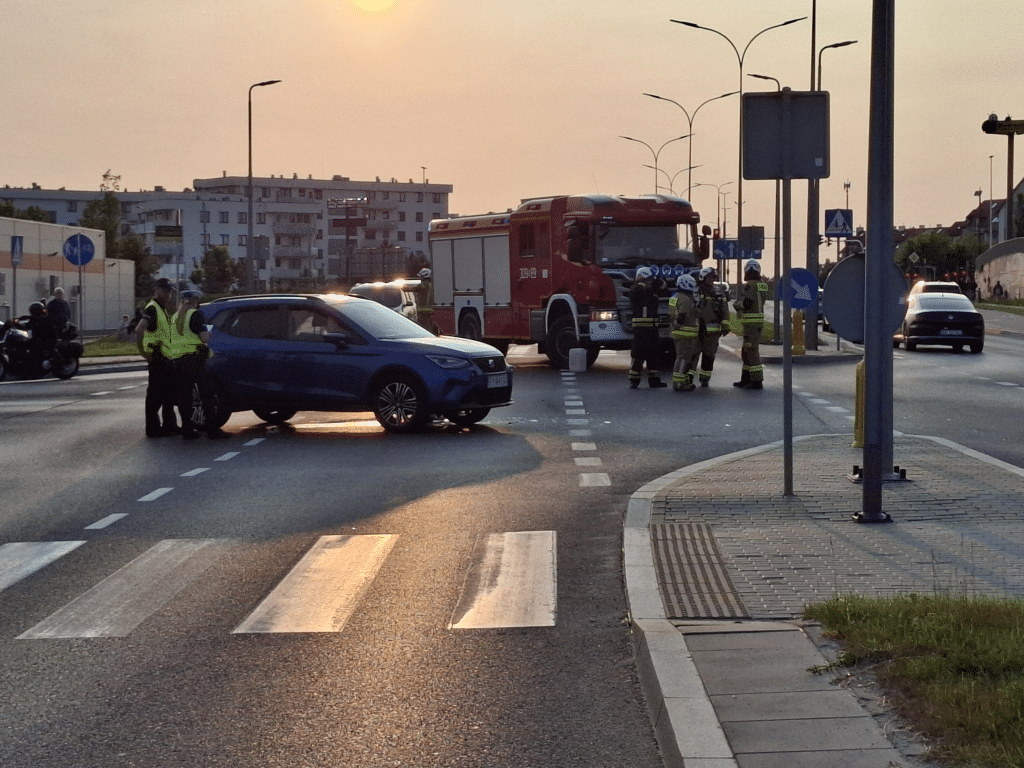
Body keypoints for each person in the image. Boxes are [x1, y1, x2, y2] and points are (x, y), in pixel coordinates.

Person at [167, 291, 230, 440]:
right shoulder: (195, 315)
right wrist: (208, 335)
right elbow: (204, 338)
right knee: (206, 394)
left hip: (178, 361)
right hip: (194, 360)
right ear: (194, 302)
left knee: (185, 397)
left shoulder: (175, 317)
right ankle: (212, 430)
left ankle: (187, 429)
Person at [135, 278, 180, 437]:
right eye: (164, 291)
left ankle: (170, 425)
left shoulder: (161, 309)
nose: (167, 294)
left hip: (165, 358)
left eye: (169, 292)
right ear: (156, 290)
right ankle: (153, 429)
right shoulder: (153, 309)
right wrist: (143, 352)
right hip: (157, 357)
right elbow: (139, 330)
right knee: (155, 395)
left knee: (168, 394)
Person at [628, 267, 667, 388]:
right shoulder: (636, 290)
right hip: (641, 330)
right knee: (638, 355)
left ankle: (654, 380)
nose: (651, 282)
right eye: (649, 279)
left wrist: (660, 282)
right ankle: (634, 380)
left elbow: (664, 289)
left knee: (654, 355)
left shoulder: (652, 291)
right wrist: (647, 285)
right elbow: (640, 293)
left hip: (652, 329)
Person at [733, 259, 769, 390]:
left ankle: (756, 381)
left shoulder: (750, 285)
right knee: (746, 351)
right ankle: (746, 378)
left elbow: (748, 302)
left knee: (751, 352)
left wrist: (737, 305)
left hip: (751, 324)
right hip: (757, 323)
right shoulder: (763, 284)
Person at [694, 266, 730, 388]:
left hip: (713, 331)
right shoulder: (696, 291)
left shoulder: (719, 292)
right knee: (693, 355)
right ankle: (688, 378)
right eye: (709, 277)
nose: (711, 279)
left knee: (709, 356)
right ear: (703, 277)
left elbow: (725, 310)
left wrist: (725, 325)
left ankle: (705, 379)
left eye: (713, 277)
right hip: (698, 330)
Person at [668, 273, 699, 392]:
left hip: (676, 331)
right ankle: (679, 382)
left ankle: (681, 381)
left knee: (680, 357)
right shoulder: (686, 300)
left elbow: (671, 315)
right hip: (685, 333)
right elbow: (683, 316)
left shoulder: (675, 297)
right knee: (683, 358)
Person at [14, 302, 58, 372]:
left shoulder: (46, 319)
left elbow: (45, 326)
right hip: (37, 339)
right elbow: (26, 326)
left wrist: (28, 318)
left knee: (37, 347)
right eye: (33, 311)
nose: (34, 313)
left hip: (48, 340)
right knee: (22, 345)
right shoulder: (33, 320)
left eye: (35, 311)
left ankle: (46, 364)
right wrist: (17, 325)